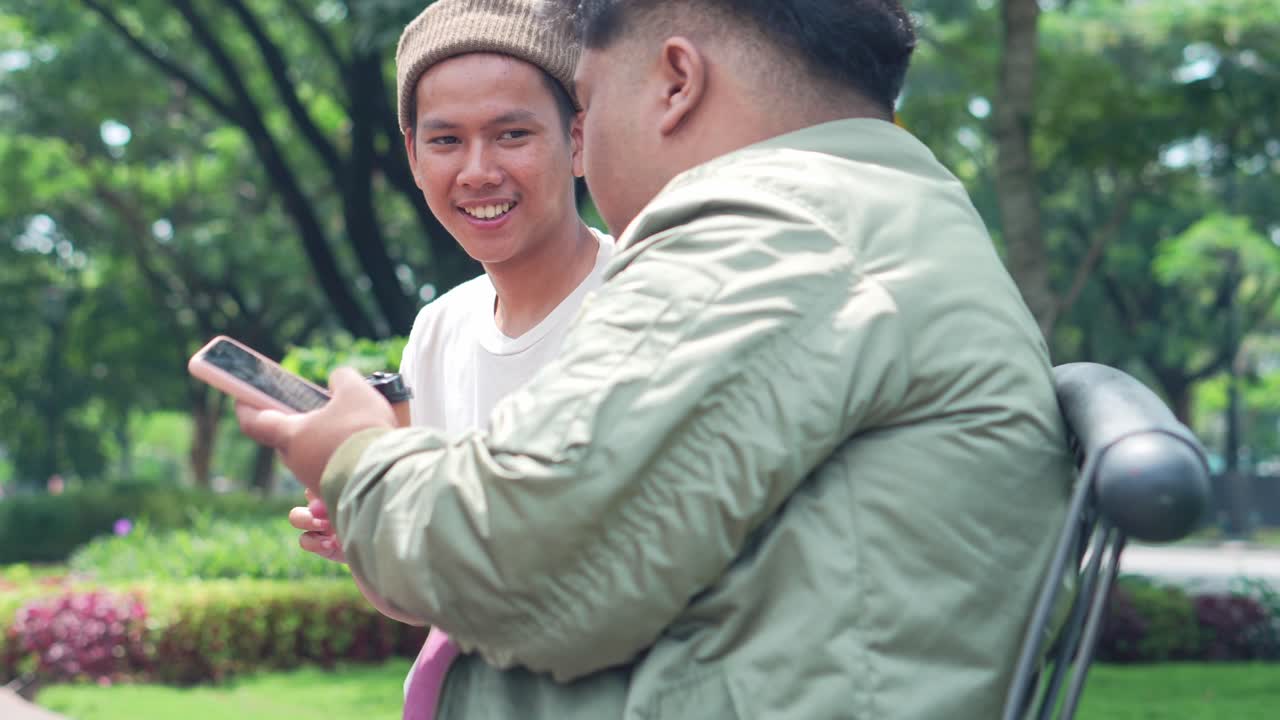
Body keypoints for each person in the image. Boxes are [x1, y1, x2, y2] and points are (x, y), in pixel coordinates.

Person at [242, 1, 1075, 718]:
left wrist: (355, 457)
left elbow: (521, 569)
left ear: (675, 80)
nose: (585, 146)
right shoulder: (883, 210)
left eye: (590, 105)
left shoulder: (772, 233)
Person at [283, 0, 612, 716]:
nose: (478, 171)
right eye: (445, 141)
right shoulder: (439, 328)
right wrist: (371, 532)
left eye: (513, 134)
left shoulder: (643, 305)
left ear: (578, 138)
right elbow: (427, 602)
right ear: (412, 155)